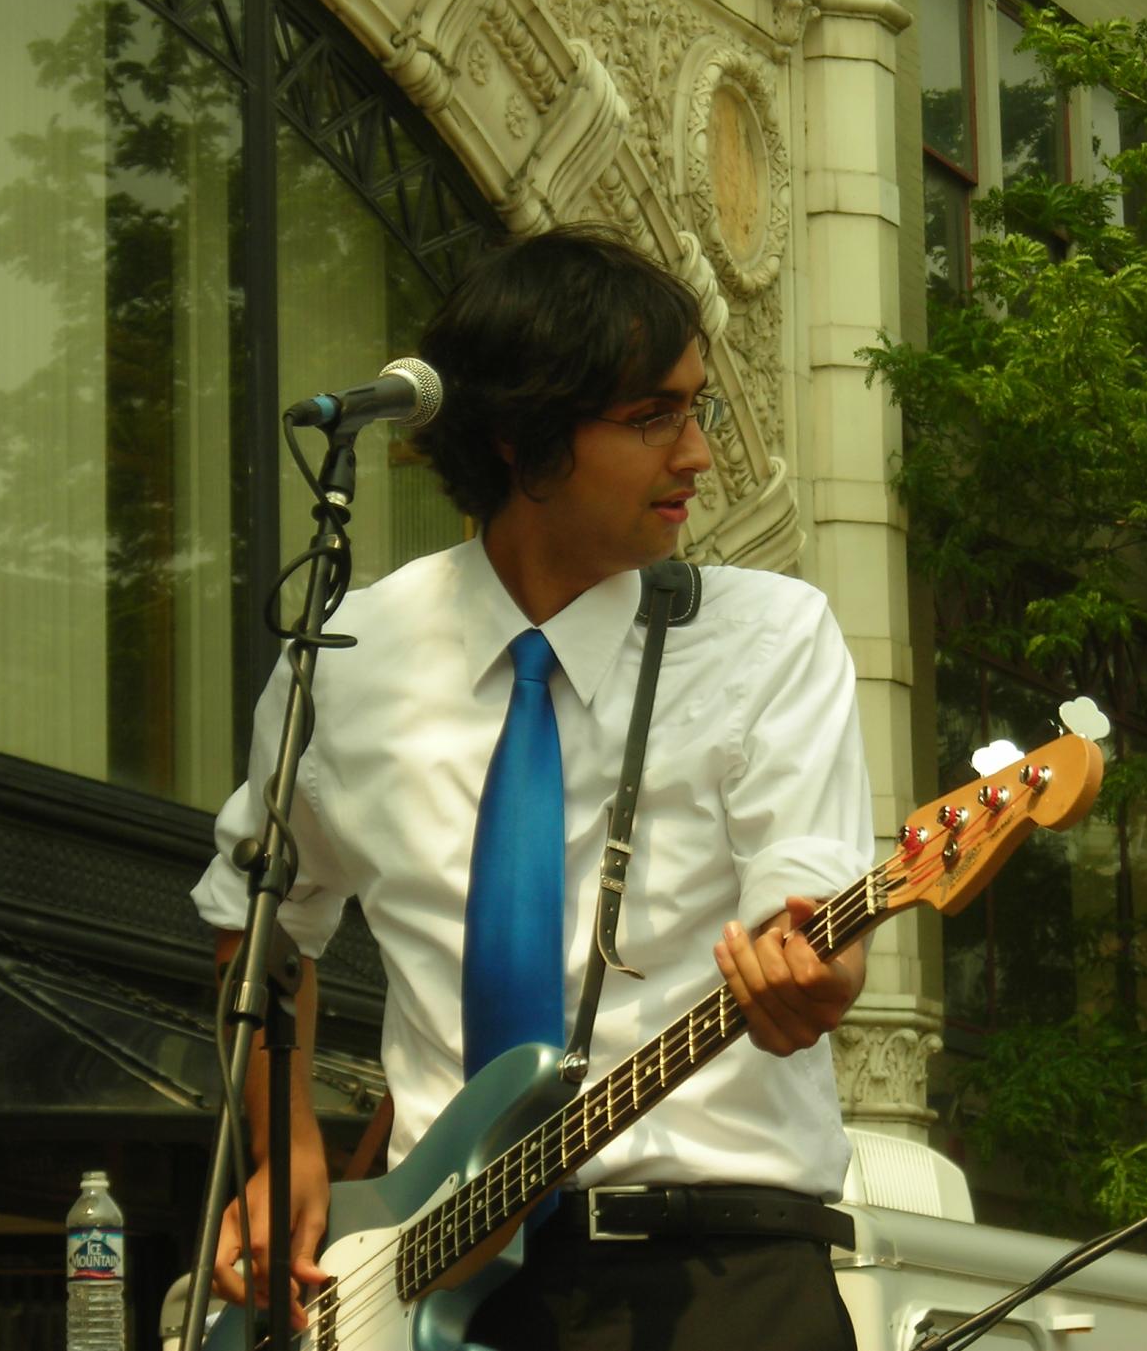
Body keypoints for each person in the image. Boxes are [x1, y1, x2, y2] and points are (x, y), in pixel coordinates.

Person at [191, 223, 876, 1350]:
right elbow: (256, 925)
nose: (698, 454)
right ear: (522, 435)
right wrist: (287, 1145)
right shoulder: (347, 659)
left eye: (696, 407)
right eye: (653, 416)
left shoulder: (771, 636)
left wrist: (812, 970)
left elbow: (807, 896)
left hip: (724, 1278)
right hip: (422, 1278)